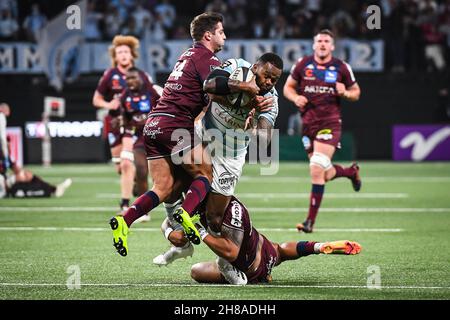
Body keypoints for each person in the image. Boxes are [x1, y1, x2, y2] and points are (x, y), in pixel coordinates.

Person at [109, 12, 227, 256]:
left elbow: (204, 98)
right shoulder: (207, 58)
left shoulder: (186, 55)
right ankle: (184, 213)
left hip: (152, 124)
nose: (224, 36)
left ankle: (126, 219)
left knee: (162, 188)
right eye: (221, 32)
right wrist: (251, 92)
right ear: (208, 35)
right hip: (175, 124)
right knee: (205, 172)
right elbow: (221, 89)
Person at [153, 53, 283, 266]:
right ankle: (179, 244)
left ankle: (224, 264)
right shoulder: (236, 66)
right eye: (266, 75)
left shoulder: (271, 100)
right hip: (202, 138)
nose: (269, 82)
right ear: (255, 67)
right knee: (173, 187)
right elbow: (210, 84)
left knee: (214, 218)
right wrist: (244, 88)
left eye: (274, 79)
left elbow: (264, 140)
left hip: (230, 155)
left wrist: (256, 118)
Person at [165, 195, 362, 285]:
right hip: (265, 252)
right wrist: (171, 234)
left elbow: (230, 251)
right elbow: (170, 223)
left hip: (247, 265)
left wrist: (199, 231)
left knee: (197, 270)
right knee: (281, 251)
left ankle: (236, 274)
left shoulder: (231, 210)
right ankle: (318, 247)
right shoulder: (205, 203)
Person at [283, 29, 362, 233]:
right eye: (319, 41)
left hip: (330, 122)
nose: (323, 44)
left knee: (316, 169)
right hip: (307, 124)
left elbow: (356, 93)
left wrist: (345, 92)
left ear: (332, 46)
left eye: (327, 41)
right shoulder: (302, 64)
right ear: (314, 44)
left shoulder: (341, 67)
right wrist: (295, 98)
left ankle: (309, 222)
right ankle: (350, 172)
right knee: (323, 174)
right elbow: (288, 88)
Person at [92, 35, 162, 215]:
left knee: (127, 164)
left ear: (132, 55)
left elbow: (153, 96)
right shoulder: (110, 75)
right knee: (120, 167)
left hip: (132, 126)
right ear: (115, 56)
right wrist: (109, 105)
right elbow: (96, 99)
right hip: (115, 125)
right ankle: (134, 186)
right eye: (119, 52)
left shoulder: (141, 75)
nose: (122, 55)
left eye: (125, 51)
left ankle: (125, 204)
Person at [0, 103, 72, 198]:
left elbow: (12, 167)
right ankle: (51, 190)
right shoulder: (1, 119)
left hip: (4, 181)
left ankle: (53, 189)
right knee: (21, 179)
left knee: (26, 175)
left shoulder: (5, 158)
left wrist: (19, 171)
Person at [120, 67, 161, 199]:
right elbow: (125, 119)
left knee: (167, 175)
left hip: (159, 136)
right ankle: (143, 211)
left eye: (133, 78)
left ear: (141, 79)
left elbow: (168, 108)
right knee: (141, 170)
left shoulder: (153, 91)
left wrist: (152, 119)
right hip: (140, 138)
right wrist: (125, 124)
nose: (130, 81)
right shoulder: (125, 96)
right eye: (127, 79)